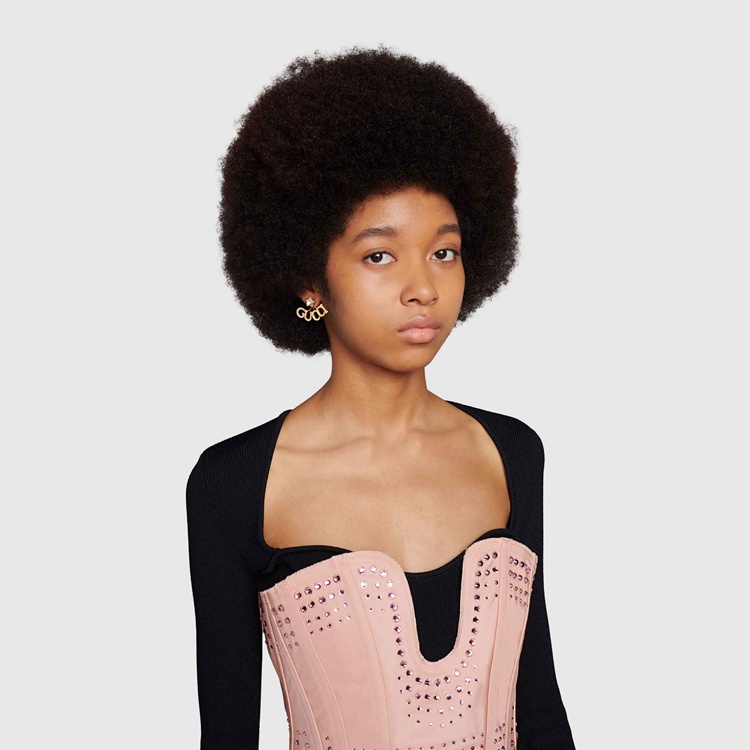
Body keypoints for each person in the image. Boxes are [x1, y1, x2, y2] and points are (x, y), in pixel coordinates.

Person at [186, 45, 576, 749]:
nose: (422, 287)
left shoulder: (512, 453)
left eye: (444, 251)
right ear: (310, 279)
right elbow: (227, 736)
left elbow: (539, 706)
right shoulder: (235, 483)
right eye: (379, 255)